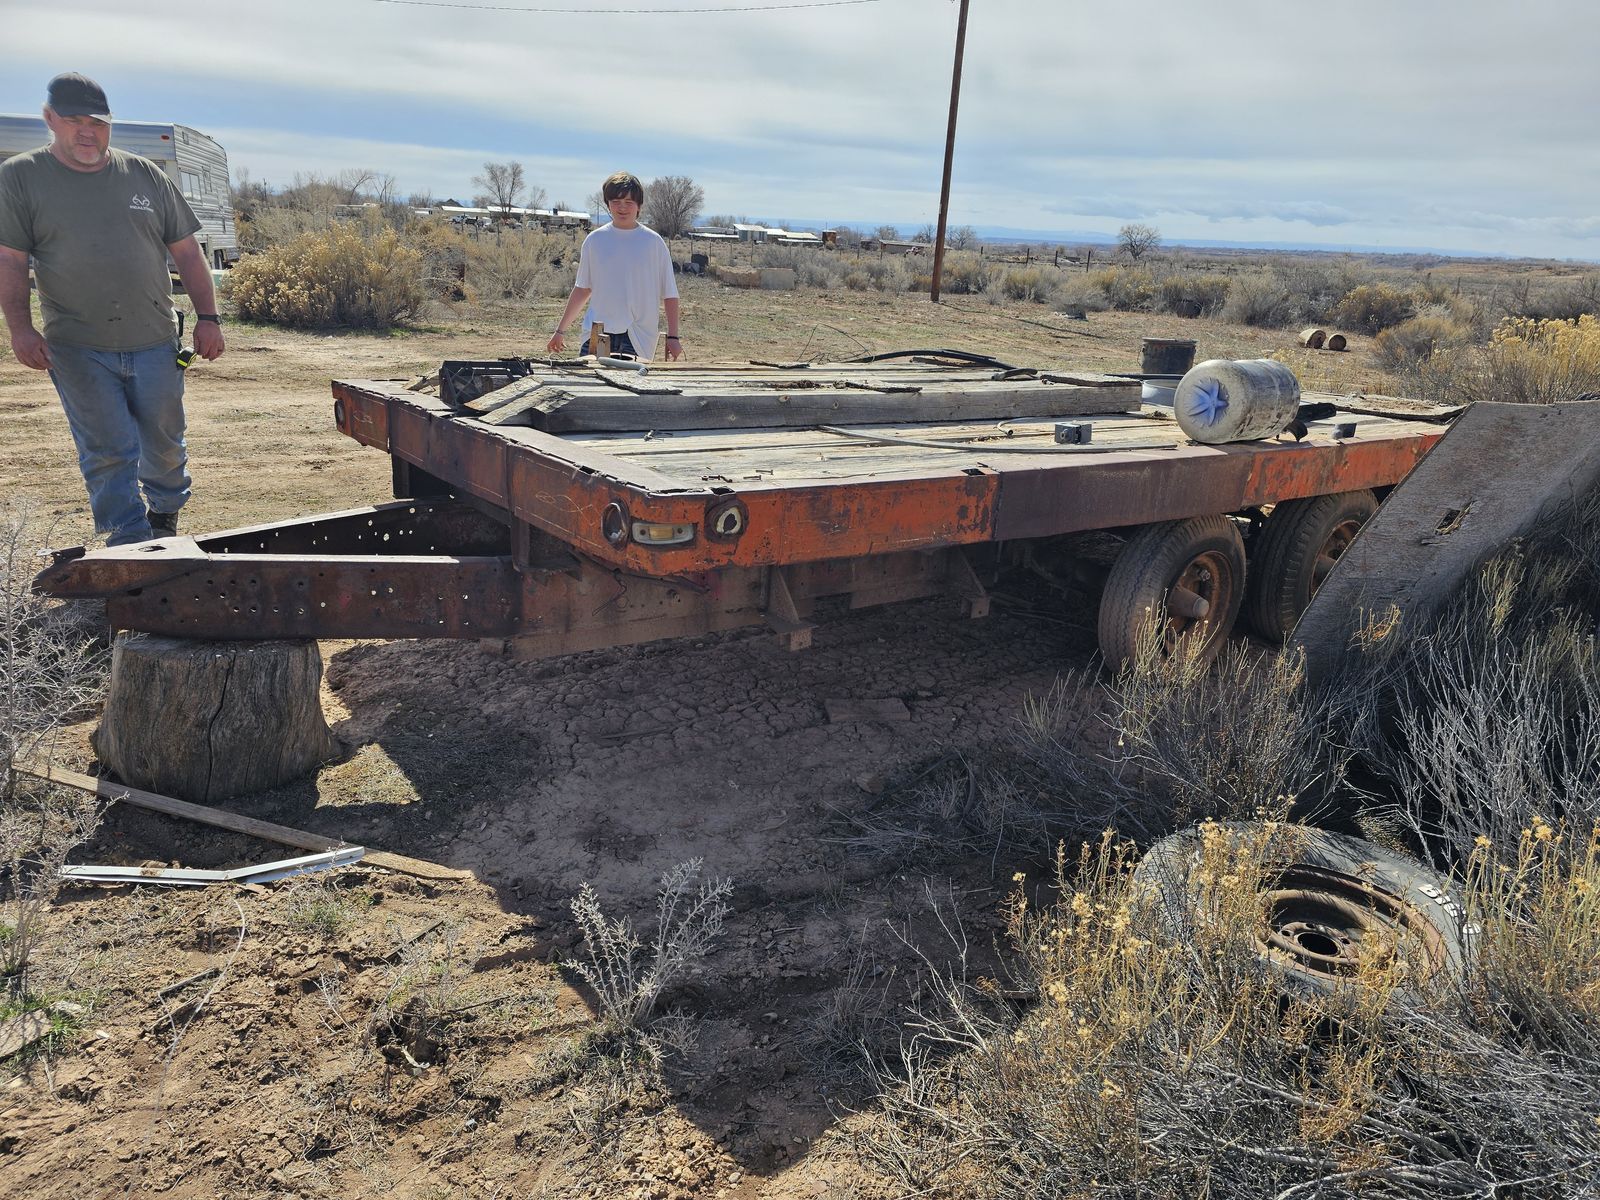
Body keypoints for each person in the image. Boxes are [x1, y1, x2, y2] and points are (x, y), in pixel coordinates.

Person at [0, 72, 225, 546]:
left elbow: (187, 252)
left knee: (165, 445)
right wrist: (20, 328)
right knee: (107, 450)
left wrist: (209, 318)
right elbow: (11, 261)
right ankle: (130, 543)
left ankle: (165, 513)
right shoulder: (20, 178)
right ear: (50, 119)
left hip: (154, 339)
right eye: (75, 120)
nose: (88, 132)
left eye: (98, 123)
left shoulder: (144, 175)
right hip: (77, 346)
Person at [547, 172, 682, 362]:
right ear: (608, 203)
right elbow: (583, 289)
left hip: (637, 335)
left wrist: (673, 337)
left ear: (639, 205)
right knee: (591, 381)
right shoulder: (595, 240)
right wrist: (560, 331)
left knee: (630, 382)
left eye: (629, 202)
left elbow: (670, 294)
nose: (622, 207)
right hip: (597, 331)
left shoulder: (653, 243)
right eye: (616, 201)